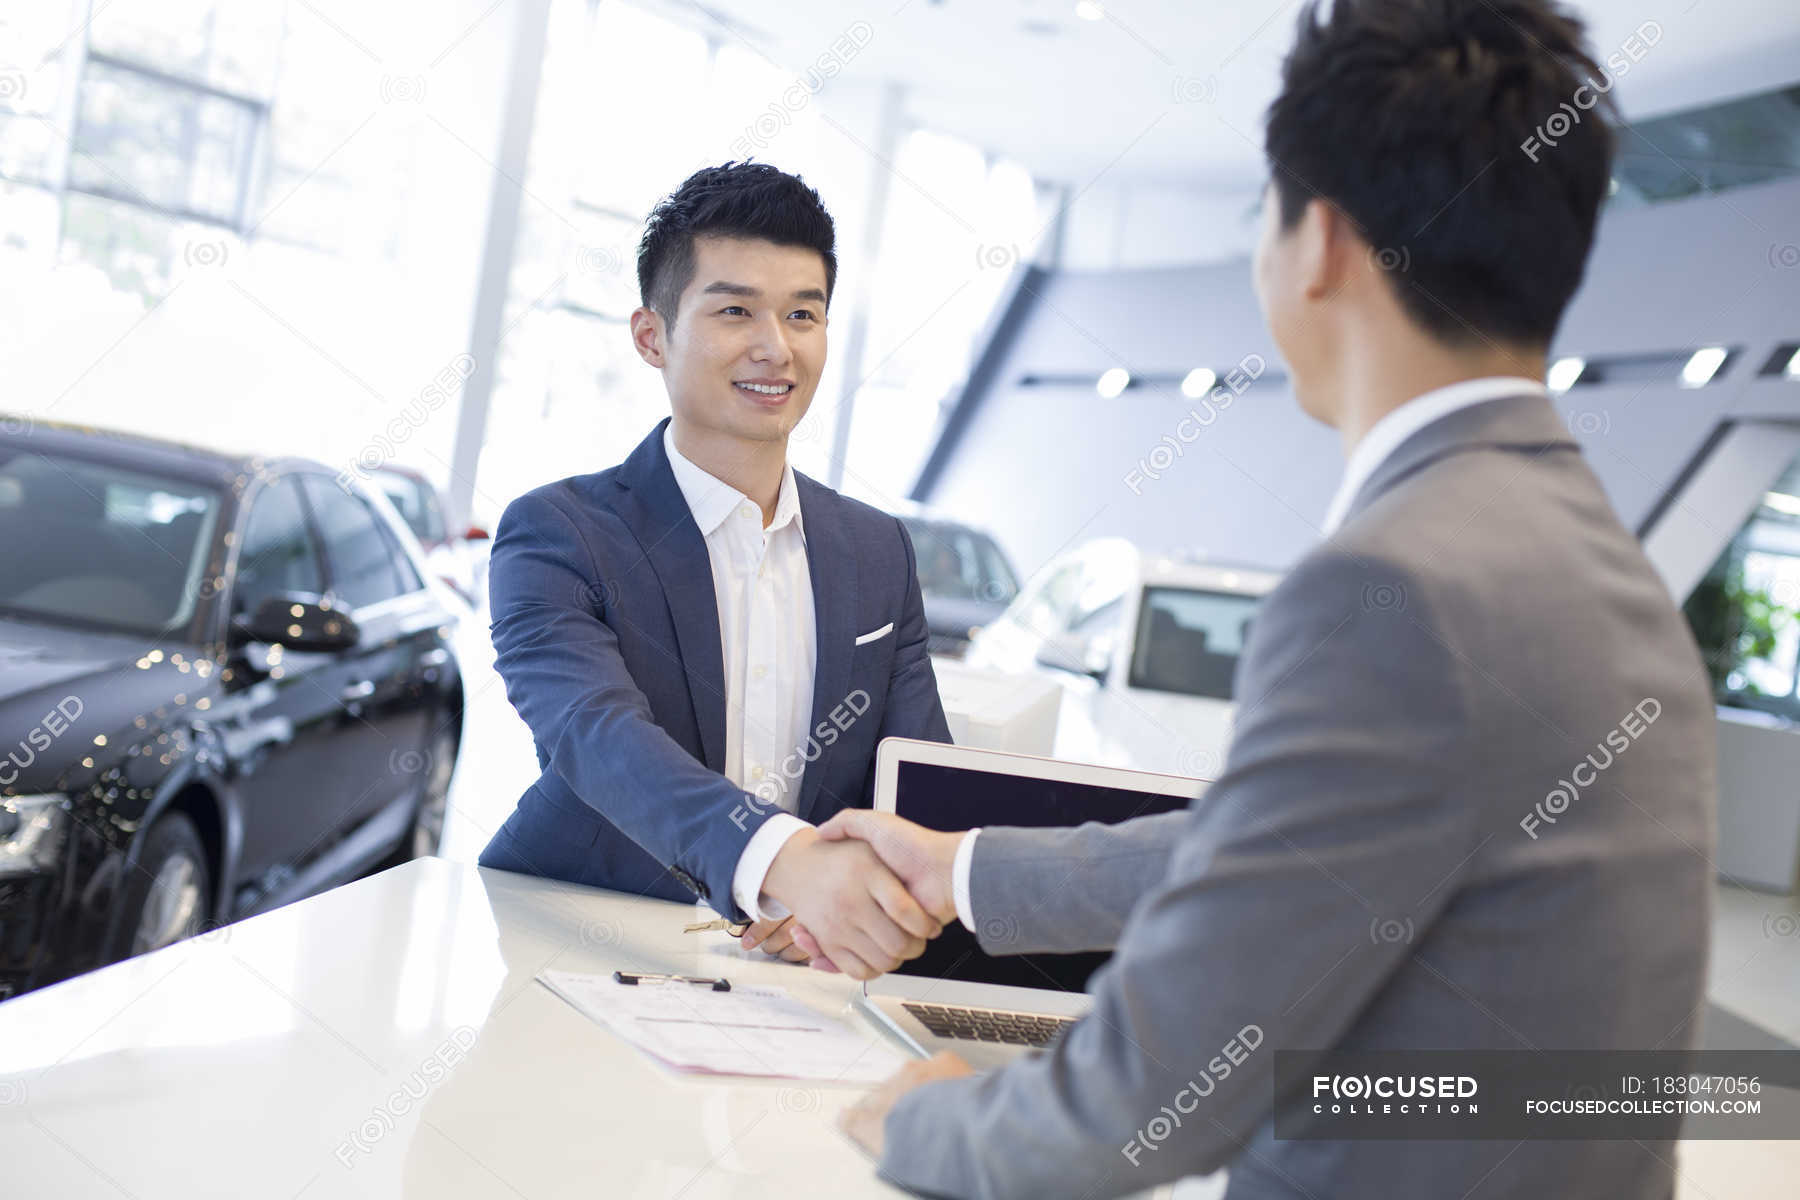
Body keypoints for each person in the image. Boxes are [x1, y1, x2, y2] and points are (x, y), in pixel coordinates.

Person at [805, 0, 1719, 1194]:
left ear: (1321, 241)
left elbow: (1153, 1100)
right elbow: (1278, 850)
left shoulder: (1394, 584)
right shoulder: (1609, 571)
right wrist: (964, 869)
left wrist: (919, 1123)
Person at [477, 162, 950, 980]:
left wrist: (860, 891)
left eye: (804, 313)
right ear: (651, 335)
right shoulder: (559, 535)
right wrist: (781, 864)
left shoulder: (877, 550)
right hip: (576, 948)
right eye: (735, 310)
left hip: (796, 976)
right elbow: (597, 738)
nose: (776, 346)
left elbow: (920, 782)